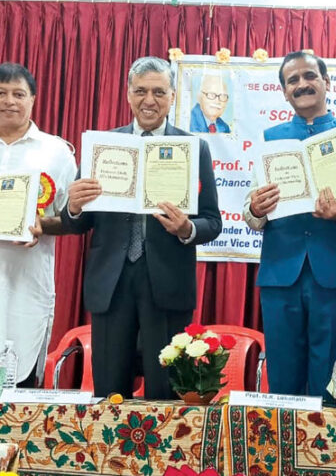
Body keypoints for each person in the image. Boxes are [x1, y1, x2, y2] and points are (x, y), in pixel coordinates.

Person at [61, 56, 222, 399]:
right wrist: (74, 206)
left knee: (165, 395)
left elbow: (212, 222)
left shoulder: (194, 149)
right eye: (141, 91)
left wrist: (186, 228)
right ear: (128, 94)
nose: (149, 100)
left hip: (167, 284)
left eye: (159, 92)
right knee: (109, 394)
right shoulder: (103, 146)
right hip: (111, 283)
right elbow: (78, 222)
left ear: (173, 96)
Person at [243, 51, 336, 398]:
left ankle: (328, 437)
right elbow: (251, 213)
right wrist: (256, 209)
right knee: (282, 378)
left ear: (326, 82)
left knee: (332, 381)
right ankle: (285, 435)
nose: (302, 84)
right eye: (292, 80)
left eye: (309, 76)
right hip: (281, 275)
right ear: (284, 92)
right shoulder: (270, 139)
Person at [0, 62, 77, 386]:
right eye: (1, 93)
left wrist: (42, 225)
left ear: (32, 99)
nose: (9, 101)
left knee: (20, 387)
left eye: (18, 94)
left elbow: (75, 218)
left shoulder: (56, 151)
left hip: (27, 288)